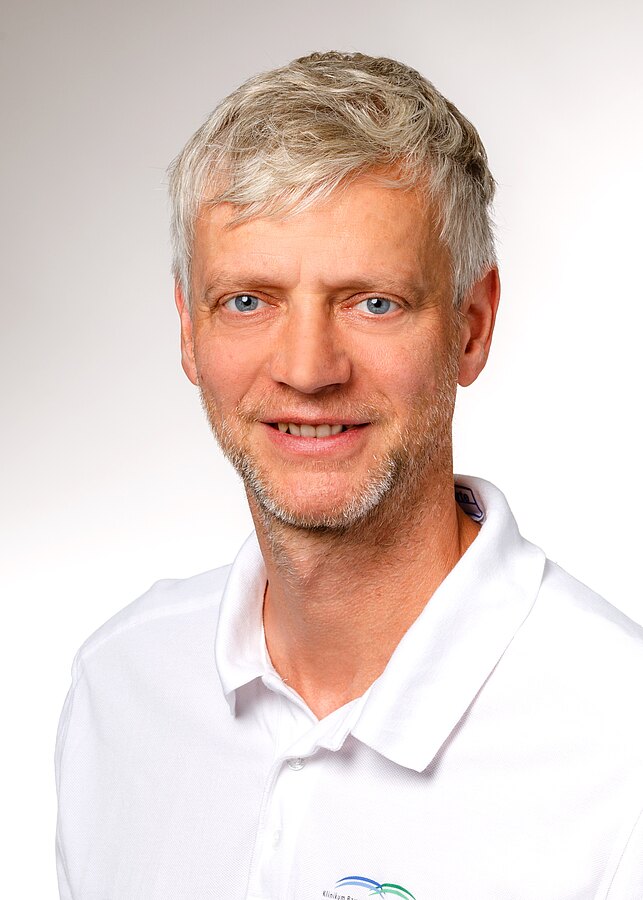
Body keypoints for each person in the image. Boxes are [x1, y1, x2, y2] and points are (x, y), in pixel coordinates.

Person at [55, 52, 643, 900]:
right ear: (188, 329)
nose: (306, 370)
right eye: (247, 301)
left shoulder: (619, 743)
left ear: (471, 325)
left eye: (372, 302)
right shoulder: (122, 684)